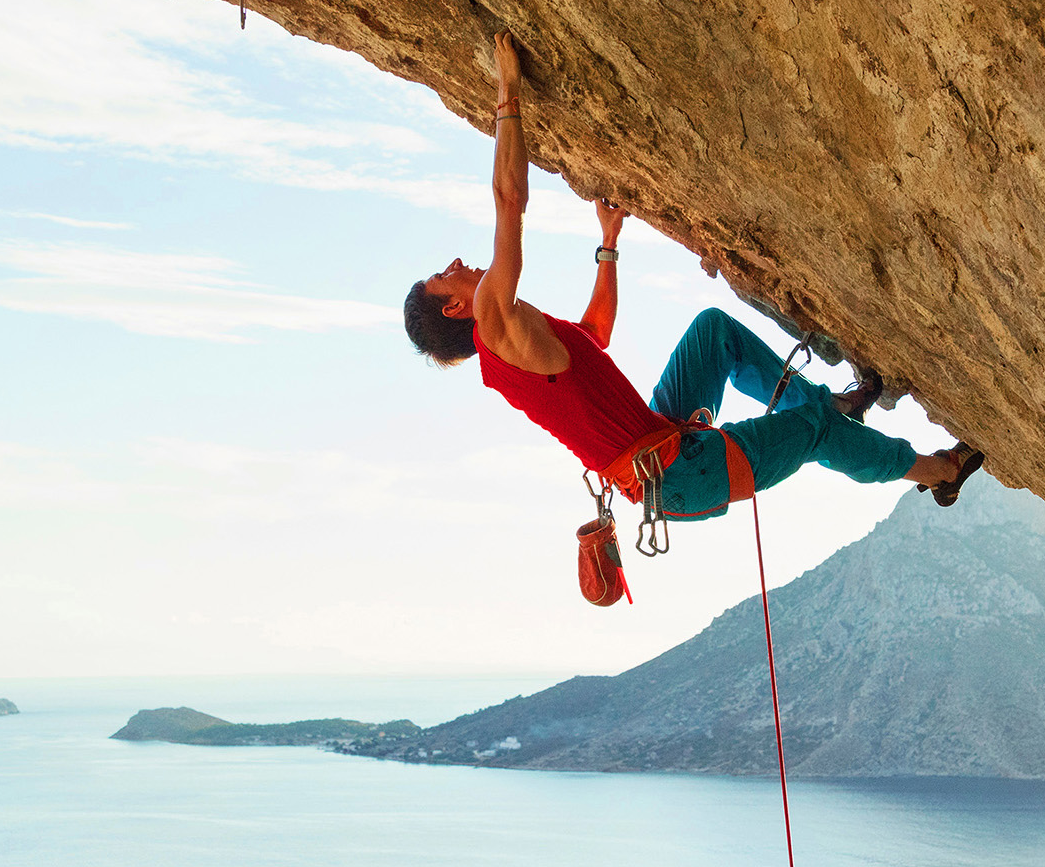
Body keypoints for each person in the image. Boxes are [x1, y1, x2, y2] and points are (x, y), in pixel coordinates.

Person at [403, 33, 983, 524]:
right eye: (444, 278)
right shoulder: (493, 329)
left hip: (658, 437)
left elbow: (594, 335)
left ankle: (834, 404)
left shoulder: (517, 340)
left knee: (713, 334)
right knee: (813, 434)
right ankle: (937, 471)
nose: (457, 265)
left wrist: (608, 246)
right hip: (681, 475)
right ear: (456, 310)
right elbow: (510, 201)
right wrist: (507, 91)